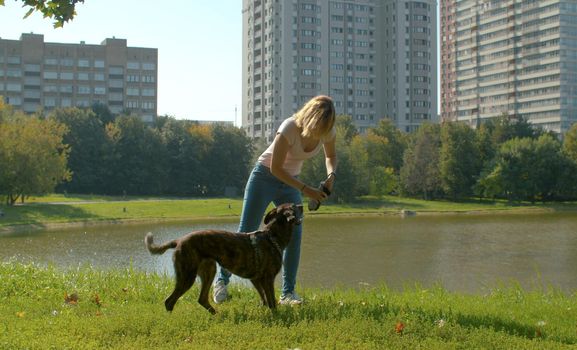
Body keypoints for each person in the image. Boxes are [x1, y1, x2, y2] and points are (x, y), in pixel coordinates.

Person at [213, 95, 338, 305]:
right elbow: (276, 168)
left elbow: (330, 157)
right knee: (245, 232)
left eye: (325, 130)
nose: (321, 135)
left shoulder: (328, 130)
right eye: (318, 129)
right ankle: (221, 281)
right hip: (265, 177)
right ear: (310, 120)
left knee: (294, 236)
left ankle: (287, 294)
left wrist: (331, 175)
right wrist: (306, 190)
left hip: (291, 183)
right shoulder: (289, 128)